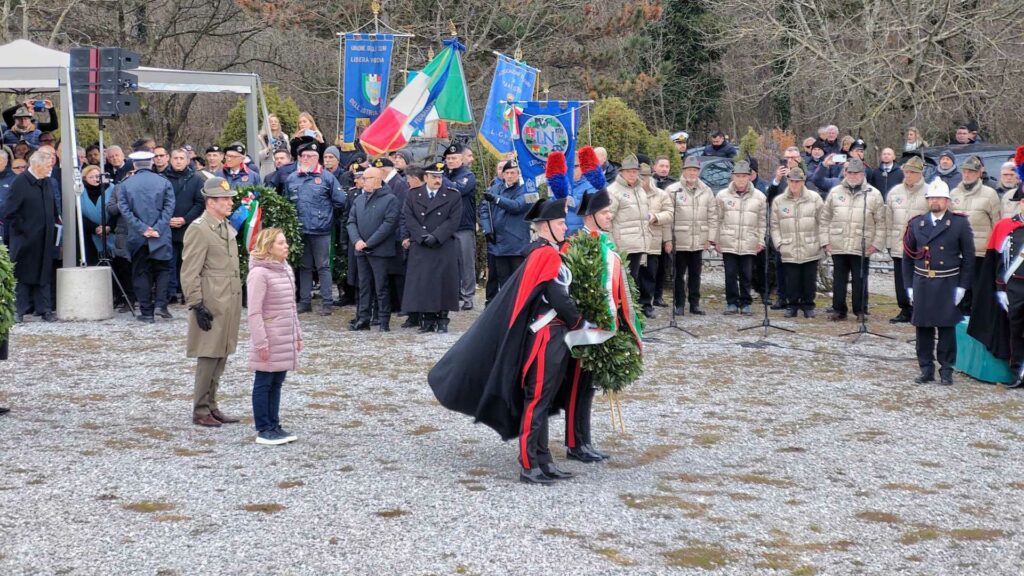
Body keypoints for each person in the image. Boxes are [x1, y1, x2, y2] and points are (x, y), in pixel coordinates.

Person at [428, 197, 586, 485]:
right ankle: (529, 464)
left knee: (544, 400)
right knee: (537, 400)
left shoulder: (547, 252)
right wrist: (580, 322)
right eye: (561, 223)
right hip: (546, 336)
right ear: (545, 226)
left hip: (553, 335)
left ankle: (543, 459)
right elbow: (558, 298)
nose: (566, 227)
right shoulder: (545, 255)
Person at [564, 148, 643, 462]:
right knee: (576, 389)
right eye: (607, 213)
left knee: (588, 388)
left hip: (603, 327)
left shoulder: (605, 242)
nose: (611, 216)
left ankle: (584, 440)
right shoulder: (576, 244)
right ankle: (574, 443)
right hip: (583, 329)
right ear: (590, 216)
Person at [182, 177, 243, 428]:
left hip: (228, 299)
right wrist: (196, 303)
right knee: (208, 355)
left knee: (221, 353)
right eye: (225, 199)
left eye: (229, 198)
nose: (230, 203)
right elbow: (190, 270)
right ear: (210, 202)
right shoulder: (199, 228)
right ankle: (200, 409)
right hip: (211, 299)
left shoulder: (222, 225)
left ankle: (212, 404)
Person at [902, 187, 974, 385]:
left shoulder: (959, 223)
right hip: (923, 281)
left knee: (946, 328)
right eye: (931, 197)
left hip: (948, 281)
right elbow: (907, 258)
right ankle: (926, 369)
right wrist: (908, 286)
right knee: (923, 327)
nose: (935, 201)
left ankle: (946, 369)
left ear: (947, 200)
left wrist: (962, 287)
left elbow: (969, 259)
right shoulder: (917, 223)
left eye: (939, 198)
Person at [246, 227, 301, 445]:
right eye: (281, 243)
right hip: (269, 336)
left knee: (277, 381)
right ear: (269, 247)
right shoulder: (259, 273)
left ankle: (274, 424)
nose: (286, 245)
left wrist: (297, 333)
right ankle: (264, 428)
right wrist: (261, 342)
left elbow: (291, 307)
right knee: (264, 381)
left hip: (284, 336)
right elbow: (254, 311)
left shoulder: (285, 268)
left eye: (285, 242)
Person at [819, 158, 886, 321]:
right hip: (838, 243)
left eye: (856, 173)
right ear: (845, 173)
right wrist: (825, 241)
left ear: (862, 174)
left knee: (860, 279)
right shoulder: (835, 193)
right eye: (850, 172)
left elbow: (882, 223)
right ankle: (838, 310)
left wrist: (877, 244)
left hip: (862, 244)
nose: (853, 176)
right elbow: (824, 219)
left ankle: (860, 310)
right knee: (839, 280)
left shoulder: (873, 194)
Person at [285, 141, 346, 315]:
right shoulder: (292, 179)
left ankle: (327, 302)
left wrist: (326, 216)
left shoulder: (327, 177)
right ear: (298, 158)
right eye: (303, 156)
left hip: (321, 230)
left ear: (317, 158)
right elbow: (287, 202)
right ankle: (305, 301)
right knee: (304, 267)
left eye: (310, 156)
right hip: (300, 230)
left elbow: (340, 200)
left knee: (323, 267)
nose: (306, 158)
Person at [401, 163, 462, 333]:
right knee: (423, 283)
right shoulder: (413, 195)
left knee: (443, 283)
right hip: (421, 245)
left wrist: (436, 236)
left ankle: (442, 318)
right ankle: (427, 319)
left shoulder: (452, 195)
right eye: (434, 176)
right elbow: (409, 217)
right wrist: (421, 236)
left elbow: (454, 220)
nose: (437, 180)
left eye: (440, 176)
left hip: (443, 244)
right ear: (425, 177)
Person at [116, 151, 175, 322]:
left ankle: (147, 312)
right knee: (163, 270)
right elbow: (169, 207)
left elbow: (124, 210)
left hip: (137, 236)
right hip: (160, 234)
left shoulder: (126, 184)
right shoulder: (164, 182)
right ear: (151, 163)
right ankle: (160, 305)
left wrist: (142, 228)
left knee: (140, 273)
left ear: (134, 165)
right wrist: (157, 227)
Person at [0, 149, 57, 322]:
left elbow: (52, 206)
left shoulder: (46, 181)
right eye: (47, 166)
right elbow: (9, 212)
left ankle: (45, 309)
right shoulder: (20, 182)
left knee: (44, 273)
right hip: (25, 238)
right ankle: (19, 311)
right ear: (37, 165)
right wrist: (25, 229)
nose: (50, 169)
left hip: (45, 236)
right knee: (22, 275)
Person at [347, 166, 400, 331]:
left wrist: (369, 242)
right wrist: (356, 240)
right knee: (363, 285)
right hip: (361, 249)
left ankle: (384, 321)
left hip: (380, 251)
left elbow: (389, 224)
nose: (363, 181)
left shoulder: (390, 199)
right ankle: (363, 319)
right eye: (363, 178)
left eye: (367, 178)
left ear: (377, 180)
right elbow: (351, 221)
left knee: (381, 287)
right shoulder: (359, 199)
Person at [712, 160, 766, 315]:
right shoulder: (722, 196)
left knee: (746, 274)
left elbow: (762, 222)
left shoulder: (759, 197)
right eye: (738, 176)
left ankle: (746, 302)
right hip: (728, 239)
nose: (741, 179)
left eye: (744, 176)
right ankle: (731, 302)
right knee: (730, 273)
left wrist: (761, 240)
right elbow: (717, 219)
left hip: (749, 240)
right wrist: (716, 239)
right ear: (732, 177)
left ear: (749, 177)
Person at [950, 155, 1001, 314]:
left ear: (979, 173)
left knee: (979, 293)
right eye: (964, 171)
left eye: (971, 171)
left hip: (981, 252)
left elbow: (996, 223)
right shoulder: (954, 193)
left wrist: (993, 251)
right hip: (959, 253)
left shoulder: (990, 194)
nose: (967, 174)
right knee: (960, 292)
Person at [770, 168, 824, 318]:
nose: (794, 184)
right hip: (789, 246)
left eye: (797, 181)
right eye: (792, 181)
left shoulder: (815, 198)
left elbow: (823, 221)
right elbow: (774, 225)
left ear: (803, 182)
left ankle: (808, 306)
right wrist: (779, 244)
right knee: (791, 279)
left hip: (810, 245)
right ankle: (792, 305)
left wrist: (821, 241)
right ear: (787, 181)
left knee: (809, 278)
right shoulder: (779, 201)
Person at [665, 155, 716, 315]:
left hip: (698, 239)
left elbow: (712, 215)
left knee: (696, 274)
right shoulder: (673, 190)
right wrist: (667, 239)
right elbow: (667, 217)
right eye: (689, 170)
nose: (692, 173)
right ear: (684, 171)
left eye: (695, 170)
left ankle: (694, 304)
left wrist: (710, 237)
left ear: (698, 172)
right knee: (679, 274)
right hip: (679, 239)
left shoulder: (706, 191)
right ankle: (679, 304)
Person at [609, 154, 657, 317]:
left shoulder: (640, 190)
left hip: (638, 243)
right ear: (622, 172)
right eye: (629, 171)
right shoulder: (613, 191)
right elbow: (608, 219)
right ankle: (623, 313)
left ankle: (632, 311)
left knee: (634, 279)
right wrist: (612, 244)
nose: (632, 174)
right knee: (623, 280)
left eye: (635, 171)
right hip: (622, 244)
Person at [479, 159, 532, 304]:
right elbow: (484, 209)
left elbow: (516, 206)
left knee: (517, 281)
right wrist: (487, 229)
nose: (509, 176)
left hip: (516, 244)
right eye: (506, 173)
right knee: (502, 279)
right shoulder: (495, 188)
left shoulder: (526, 189)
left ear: (518, 174)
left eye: (512, 173)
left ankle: (518, 307)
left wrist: (495, 199)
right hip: (498, 244)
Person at [885, 156, 930, 324]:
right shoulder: (895, 192)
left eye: (912, 172)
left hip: (921, 246)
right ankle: (905, 309)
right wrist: (889, 242)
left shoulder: (929, 192)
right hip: (899, 242)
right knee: (901, 278)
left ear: (920, 173)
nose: (908, 175)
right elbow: (888, 219)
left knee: (920, 277)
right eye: (906, 172)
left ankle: (921, 308)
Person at [164, 149, 205, 304]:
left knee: (188, 263)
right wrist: (167, 219)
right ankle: (171, 292)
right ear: (170, 159)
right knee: (169, 262)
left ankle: (187, 292)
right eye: (175, 158)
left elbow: (200, 203)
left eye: (182, 158)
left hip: (189, 227)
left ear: (188, 160)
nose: (178, 161)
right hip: (167, 226)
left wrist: (185, 219)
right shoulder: (163, 179)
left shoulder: (196, 179)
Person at [444, 143, 479, 310]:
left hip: (463, 225)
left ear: (461, 160)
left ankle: (468, 296)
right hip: (445, 226)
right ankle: (453, 294)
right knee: (449, 263)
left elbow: (457, 189)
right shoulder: (443, 173)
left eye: (454, 158)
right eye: (448, 158)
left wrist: (440, 179)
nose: (450, 161)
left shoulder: (468, 175)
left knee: (466, 263)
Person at [641, 163, 673, 310]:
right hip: (634, 241)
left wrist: (656, 217)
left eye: (644, 177)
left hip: (654, 241)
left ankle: (648, 304)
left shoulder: (661, 195)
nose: (642, 180)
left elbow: (669, 216)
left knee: (651, 274)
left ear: (650, 178)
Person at [78, 165, 115, 266]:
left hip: (112, 233)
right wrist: (95, 228)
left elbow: (118, 212)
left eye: (97, 176)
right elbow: (78, 215)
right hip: (90, 237)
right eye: (91, 177)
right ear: (85, 178)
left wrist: (108, 227)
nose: (95, 179)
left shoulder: (112, 189)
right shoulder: (79, 192)